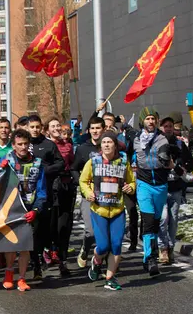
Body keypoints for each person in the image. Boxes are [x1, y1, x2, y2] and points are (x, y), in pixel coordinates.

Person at [79, 131, 136, 290]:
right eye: (103, 142)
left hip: (117, 210)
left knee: (116, 245)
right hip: (99, 210)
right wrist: (88, 193)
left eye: (109, 142)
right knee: (103, 246)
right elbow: (83, 181)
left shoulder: (123, 162)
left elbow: (132, 182)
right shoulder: (93, 162)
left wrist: (129, 188)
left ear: (115, 145)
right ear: (100, 146)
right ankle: (96, 262)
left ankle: (110, 278)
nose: (106, 145)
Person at [133, 107, 175, 277]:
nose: (150, 121)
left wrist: (169, 161)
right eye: (147, 118)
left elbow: (173, 159)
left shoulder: (163, 139)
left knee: (156, 221)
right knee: (149, 220)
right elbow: (125, 154)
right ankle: (151, 259)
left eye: (153, 118)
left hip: (161, 185)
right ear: (142, 121)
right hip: (143, 184)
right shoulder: (135, 139)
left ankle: (148, 254)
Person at [0, 129, 42, 291]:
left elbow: (42, 189)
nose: (23, 147)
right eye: (20, 144)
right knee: (11, 244)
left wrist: (37, 209)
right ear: (13, 145)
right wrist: (1, 168)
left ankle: (22, 278)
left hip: (29, 208)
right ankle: (9, 272)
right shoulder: (8, 160)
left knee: (25, 245)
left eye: (26, 144)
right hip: (11, 208)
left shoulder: (38, 163)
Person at [26, 115, 65, 278]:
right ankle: (32, 260)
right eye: (32, 127)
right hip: (25, 195)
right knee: (29, 231)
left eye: (37, 127)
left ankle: (40, 259)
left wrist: (45, 170)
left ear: (41, 128)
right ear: (27, 128)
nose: (35, 130)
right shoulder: (23, 144)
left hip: (45, 193)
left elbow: (61, 163)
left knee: (42, 231)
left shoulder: (48, 145)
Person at [158, 115, 193, 262]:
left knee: (173, 220)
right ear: (161, 128)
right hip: (161, 187)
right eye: (165, 126)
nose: (168, 129)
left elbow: (190, 162)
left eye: (170, 127)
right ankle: (163, 249)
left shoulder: (180, 145)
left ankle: (171, 247)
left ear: (174, 129)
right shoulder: (156, 143)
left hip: (176, 188)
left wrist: (180, 168)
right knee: (163, 219)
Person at [72, 117, 104, 268]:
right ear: (89, 130)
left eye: (98, 128)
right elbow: (73, 168)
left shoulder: (110, 146)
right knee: (90, 231)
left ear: (103, 129)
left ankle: (100, 265)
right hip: (89, 195)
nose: (95, 131)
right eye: (92, 128)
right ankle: (85, 248)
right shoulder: (82, 148)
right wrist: (82, 184)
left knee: (104, 234)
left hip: (108, 197)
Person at [46, 116, 76, 277]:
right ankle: (49, 250)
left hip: (66, 187)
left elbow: (72, 164)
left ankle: (63, 262)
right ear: (47, 130)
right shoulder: (45, 146)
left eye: (58, 126)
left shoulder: (68, 145)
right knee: (52, 227)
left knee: (64, 226)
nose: (57, 128)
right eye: (53, 126)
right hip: (50, 189)